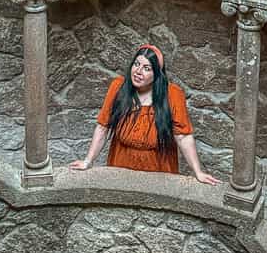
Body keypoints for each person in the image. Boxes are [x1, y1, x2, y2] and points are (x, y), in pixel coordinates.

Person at [70, 44, 220, 184]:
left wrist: (198, 172)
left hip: (158, 169)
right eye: (136, 64)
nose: (138, 72)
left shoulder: (173, 95)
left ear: (157, 75)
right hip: (122, 164)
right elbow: (103, 128)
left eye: (147, 68)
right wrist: (87, 162)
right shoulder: (118, 87)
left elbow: (183, 137)